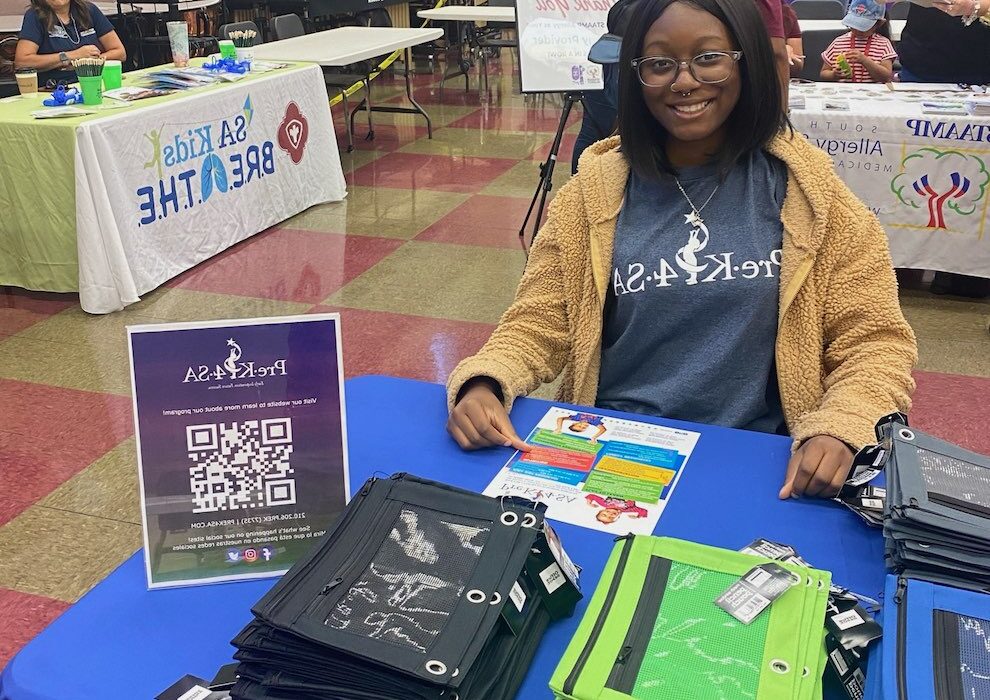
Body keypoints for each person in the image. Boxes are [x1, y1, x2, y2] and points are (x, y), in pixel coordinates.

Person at [445, 0, 917, 500]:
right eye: (659, 63)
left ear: (747, 61)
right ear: (635, 75)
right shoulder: (592, 194)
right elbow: (538, 321)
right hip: (612, 450)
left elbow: (875, 341)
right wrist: (486, 382)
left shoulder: (811, 194)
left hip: (756, 459)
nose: (684, 81)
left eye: (709, 57)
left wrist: (842, 422)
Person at [898, 0, 990, 299]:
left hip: (981, 71)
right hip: (921, 69)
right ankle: (899, 266)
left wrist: (976, 6)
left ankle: (967, 276)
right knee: (902, 162)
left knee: (974, 177)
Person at [15, 0, 125, 88]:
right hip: (56, 89)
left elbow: (120, 53)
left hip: (95, 84)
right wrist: (69, 56)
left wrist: (87, 63)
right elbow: (22, 62)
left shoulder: (89, 10)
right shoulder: (34, 16)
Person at [820, 0, 896, 83]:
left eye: (863, 26)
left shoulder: (883, 44)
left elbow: (886, 77)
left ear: (879, 24)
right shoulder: (838, 43)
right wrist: (834, 75)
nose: (857, 30)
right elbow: (824, 73)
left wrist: (865, 61)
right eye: (854, 25)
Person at [780, 0, 805, 77]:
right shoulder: (746, 12)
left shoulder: (787, 13)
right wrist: (780, 50)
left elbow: (798, 66)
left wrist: (788, 56)